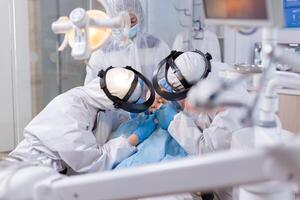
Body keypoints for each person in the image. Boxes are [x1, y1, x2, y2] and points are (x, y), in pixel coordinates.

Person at [9, 67, 157, 174]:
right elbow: (94, 163)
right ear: (116, 103)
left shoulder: (100, 102)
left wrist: (136, 116)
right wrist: (133, 138)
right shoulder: (69, 110)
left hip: (52, 174)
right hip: (27, 171)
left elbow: (114, 118)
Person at [85, 0, 170, 84]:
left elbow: (167, 81)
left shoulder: (157, 46)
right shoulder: (101, 52)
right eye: (121, 22)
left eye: (132, 20)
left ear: (140, 17)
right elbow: (91, 89)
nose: (127, 26)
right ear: (111, 21)